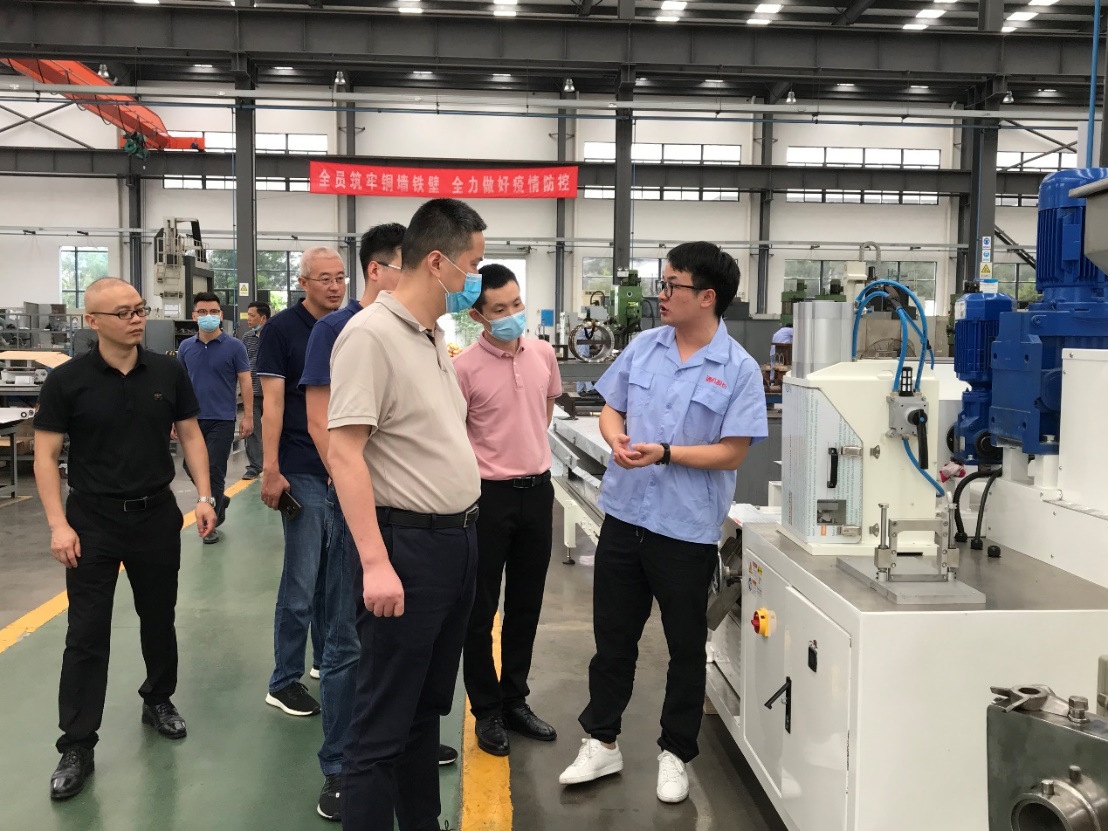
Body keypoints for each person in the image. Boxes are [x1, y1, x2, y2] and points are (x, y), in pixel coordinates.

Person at [558, 242, 768, 804]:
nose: (662, 294)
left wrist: (667, 453)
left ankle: (675, 753)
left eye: (672, 285)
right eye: (663, 283)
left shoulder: (738, 369)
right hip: (626, 517)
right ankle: (602, 741)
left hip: (685, 530)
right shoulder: (645, 346)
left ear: (707, 296)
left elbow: (732, 452)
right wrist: (615, 439)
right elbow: (611, 407)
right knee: (613, 641)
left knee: (685, 648)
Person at [328, 198, 486, 831]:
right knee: (381, 725)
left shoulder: (432, 335)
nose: (476, 279)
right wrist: (375, 563)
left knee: (424, 712)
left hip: (455, 545)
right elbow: (344, 453)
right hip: (407, 549)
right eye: (473, 264)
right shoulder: (371, 335)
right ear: (438, 262)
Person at [33, 277, 218, 801]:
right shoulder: (67, 380)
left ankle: (158, 698)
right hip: (91, 521)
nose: (136, 319)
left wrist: (205, 496)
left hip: (156, 515)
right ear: (92, 321)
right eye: (123, 313)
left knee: (159, 617)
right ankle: (77, 743)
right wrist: (58, 525)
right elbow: (46, 456)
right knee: (86, 632)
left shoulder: (167, 370)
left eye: (139, 309)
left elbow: (190, 434)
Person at [300, 222, 433, 822]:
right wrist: (356, 499)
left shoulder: (417, 331)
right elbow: (326, 427)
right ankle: (338, 765)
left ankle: (398, 749)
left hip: (410, 515)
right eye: (410, 265)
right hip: (362, 507)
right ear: (379, 269)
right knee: (347, 639)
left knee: (398, 643)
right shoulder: (341, 329)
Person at [454, 264, 562, 757]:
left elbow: (544, 413)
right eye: (500, 309)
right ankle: (486, 709)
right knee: (479, 609)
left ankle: (515, 699)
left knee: (526, 603)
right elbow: (457, 437)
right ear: (478, 316)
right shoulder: (463, 369)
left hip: (537, 493)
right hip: (486, 498)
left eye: (516, 304)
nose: (513, 314)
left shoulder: (543, 353)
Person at [257, 248, 347, 718]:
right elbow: (272, 404)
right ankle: (284, 679)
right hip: (302, 467)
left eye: (340, 278)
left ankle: (324, 660)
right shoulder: (281, 330)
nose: (334, 287)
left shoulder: (350, 325)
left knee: (333, 577)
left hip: (343, 467)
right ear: (303, 282)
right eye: (324, 279)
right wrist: (271, 469)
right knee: (301, 577)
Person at [176, 291, 253, 544]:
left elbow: (245, 381)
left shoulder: (235, 346)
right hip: (191, 420)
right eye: (202, 312)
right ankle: (219, 499)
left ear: (220, 315)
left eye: (213, 312)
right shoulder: (186, 347)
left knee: (214, 470)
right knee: (190, 466)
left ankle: (212, 521)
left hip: (222, 418)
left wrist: (248, 416)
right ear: (194, 316)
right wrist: (173, 417)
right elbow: (179, 384)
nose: (207, 316)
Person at [241, 300, 270, 480]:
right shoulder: (247, 338)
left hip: (272, 393)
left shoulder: (275, 335)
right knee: (252, 430)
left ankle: (278, 463)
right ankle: (255, 466)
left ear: (263, 318)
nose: (249, 319)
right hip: (252, 391)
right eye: (248, 315)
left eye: (252, 316)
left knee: (276, 429)